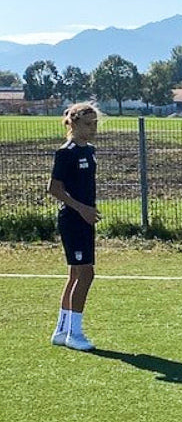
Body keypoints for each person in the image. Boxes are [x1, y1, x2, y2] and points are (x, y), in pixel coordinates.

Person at [48, 103, 102, 351]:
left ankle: (62, 330)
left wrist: (88, 210)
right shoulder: (65, 153)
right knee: (86, 274)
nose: (93, 129)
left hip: (85, 218)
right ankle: (75, 334)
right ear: (75, 124)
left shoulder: (89, 151)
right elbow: (54, 189)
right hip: (73, 220)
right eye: (88, 124)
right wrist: (81, 208)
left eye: (95, 124)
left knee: (75, 274)